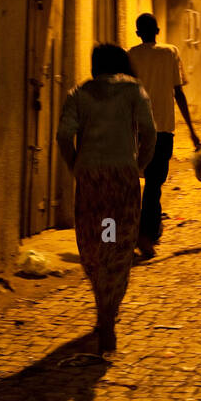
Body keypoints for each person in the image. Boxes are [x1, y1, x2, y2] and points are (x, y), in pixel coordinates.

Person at [57, 44, 156, 358]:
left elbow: (63, 135)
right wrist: (139, 165)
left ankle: (103, 310)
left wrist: (76, 165)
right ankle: (108, 315)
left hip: (91, 179)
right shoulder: (133, 91)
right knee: (120, 245)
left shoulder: (78, 93)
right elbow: (150, 132)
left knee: (92, 243)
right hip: (122, 177)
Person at [129, 13, 201, 259]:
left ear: (138, 33)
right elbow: (178, 92)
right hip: (162, 131)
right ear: (158, 30)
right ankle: (145, 236)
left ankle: (146, 231)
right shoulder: (170, 53)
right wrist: (192, 131)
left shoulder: (131, 55)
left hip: (138, 130)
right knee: (153, 185)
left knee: (144, 183)